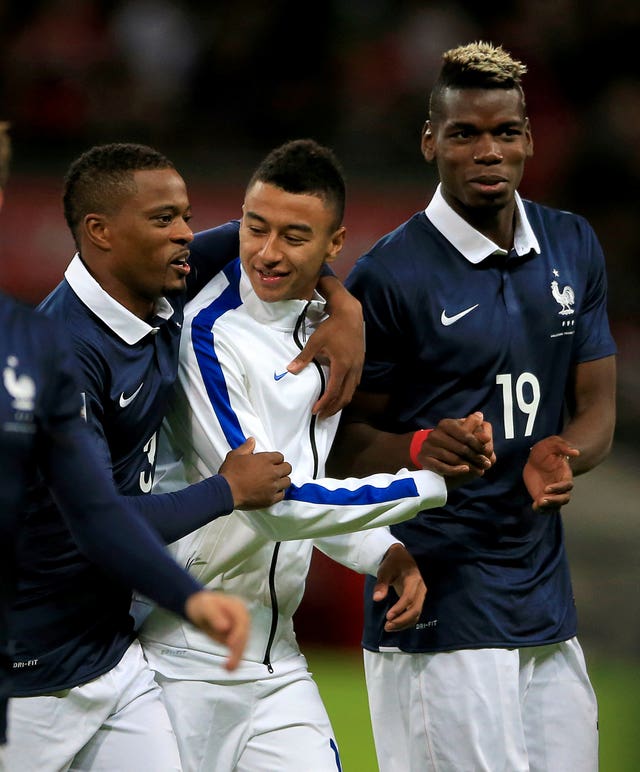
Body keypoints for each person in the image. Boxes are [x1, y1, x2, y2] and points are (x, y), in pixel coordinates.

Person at [138, 138, 494, 772]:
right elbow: (273, 508)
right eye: (255, 228)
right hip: (184, 661)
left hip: (278, 662)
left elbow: (312, 482)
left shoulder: (324, 329)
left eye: (295, 237)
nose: (268, 253)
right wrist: (430, 485)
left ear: (335, 246)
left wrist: (381, 550)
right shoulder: (207, 336)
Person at [328, 41, 617, 772]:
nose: (488, 151)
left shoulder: (572, 243)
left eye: (505, 132)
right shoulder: (388, 276)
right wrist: (422, 448)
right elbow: (341, 445)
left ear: (529, 139)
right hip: (435, 598)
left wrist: (563, 452)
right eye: (465, 134)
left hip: (543, 599)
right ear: (431, 141)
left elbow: (596, 407)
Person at [0, 126, 253, 765]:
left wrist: (343, 304)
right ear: (100, 231)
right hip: (30, 675)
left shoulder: (153, 289)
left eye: (187, 217)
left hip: (112, 658)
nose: (186, 234)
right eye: (164, 218)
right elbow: (97, 520)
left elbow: (271, 233)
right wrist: (227, 490)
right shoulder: (60, 354)